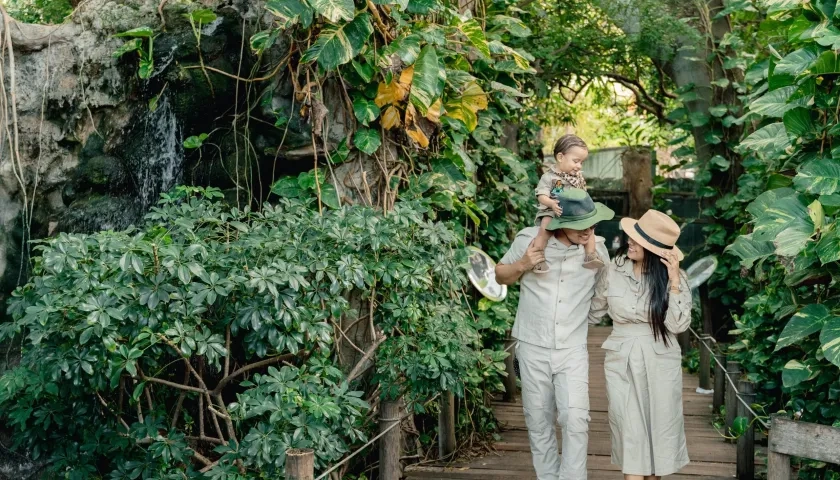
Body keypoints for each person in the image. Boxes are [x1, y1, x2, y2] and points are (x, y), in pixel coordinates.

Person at [495, 188, 614, 480]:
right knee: (538, 419)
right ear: (560, 222)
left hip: (572, 348)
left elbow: (602, 291)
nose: (587, 231)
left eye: (591, 223)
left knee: (576, 418)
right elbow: (500, 275)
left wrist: (585, 320)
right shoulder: (528, 239)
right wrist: (523, 264)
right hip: (531, 344)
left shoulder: (598, 250)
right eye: (580, 225)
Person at [588, 209, 692, 480]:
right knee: (629, 429)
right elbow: (592, 312)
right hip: (621, 357)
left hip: (661, 358)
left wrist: (675, 282)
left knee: (659, 430)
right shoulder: (613, 269)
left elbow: (678, 326)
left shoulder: (674, 277)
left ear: (654, 249)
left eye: (637, 240)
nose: (629, 241)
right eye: (631, 236)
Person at [531, 134, 591, 274]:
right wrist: (551, 204)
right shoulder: (549, 177)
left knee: (590, 228)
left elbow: (582, 194)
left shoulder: (577, 178)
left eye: (581, 162)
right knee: (545, 228)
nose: (579, 166)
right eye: (576, 161)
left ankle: (591, 255)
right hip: (553, 209)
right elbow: (541, 196)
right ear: (560, 157)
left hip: (574, 211)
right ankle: (538, 258)